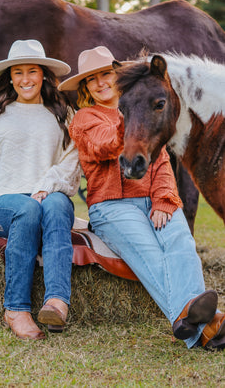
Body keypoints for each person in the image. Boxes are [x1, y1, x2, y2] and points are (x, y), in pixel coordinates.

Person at [58, 45, 225, 350]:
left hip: (156, 200)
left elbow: (161, 163)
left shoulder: (144, 110)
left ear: (117, 77)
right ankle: (208, 325)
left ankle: (195, 325)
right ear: (85, 88)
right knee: (152, 256)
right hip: (112, 207)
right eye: (91, 79)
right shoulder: (84, 119)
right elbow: (104, 146)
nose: (100, 83)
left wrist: (163, 199)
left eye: (106, 74)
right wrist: (129, 117)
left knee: (183, 245)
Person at [0, 39, 81, 341]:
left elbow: (72, 160)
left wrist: (47, 186)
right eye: (17, 73)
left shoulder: (62, 114)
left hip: (48, 196)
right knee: (28, 208)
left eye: (32, 71)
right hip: (5, 202)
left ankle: (57, 301)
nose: (25, 79)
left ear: (43, 74)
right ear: (10, 77)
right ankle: (16, 308)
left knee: (57, 205)